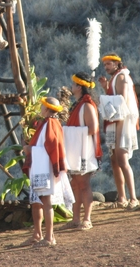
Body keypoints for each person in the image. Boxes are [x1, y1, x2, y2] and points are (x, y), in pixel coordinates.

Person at [20, 97, 73, 247]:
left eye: (43, 106)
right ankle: (39, 235)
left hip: (45, 168)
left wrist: (30, 150)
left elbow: (51, 148)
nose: (41, 108)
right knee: (40, 201)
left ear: (48, 108)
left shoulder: (50, 123)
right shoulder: (50, 122)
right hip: (44, 167)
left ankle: (49, 237)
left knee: (47, 202)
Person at [60, 72, 102, 231]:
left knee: (84, 184)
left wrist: (70, 131)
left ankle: (87, 219)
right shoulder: (77, 104)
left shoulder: (87, 104)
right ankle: (75, 219)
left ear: (79, 86)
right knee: (75, 184)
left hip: (84, 151)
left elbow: (93, 129)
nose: (71, 87)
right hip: (76, 150)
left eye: (73, 84)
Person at [98, 53, 140, 210]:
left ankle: (133, 198)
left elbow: (121, 100)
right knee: (114, 161)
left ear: (116, 64)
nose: (106, 67)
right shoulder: (115, 78)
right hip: (114, 122)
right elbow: (114, 97)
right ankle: (122, 198)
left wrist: (104, 97)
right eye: (105, 65)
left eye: (109, 64)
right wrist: (106, 87)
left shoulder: (122, 77)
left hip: (122, 122)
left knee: (122, 160)